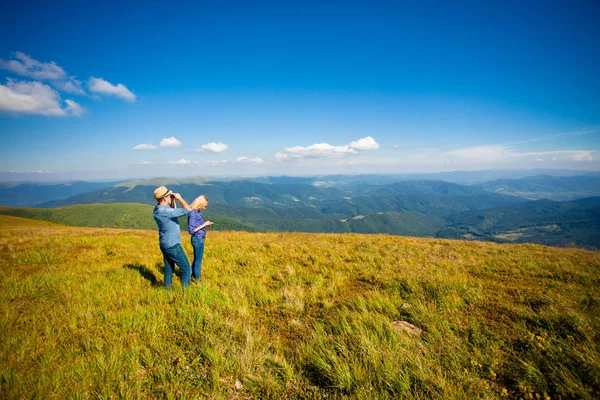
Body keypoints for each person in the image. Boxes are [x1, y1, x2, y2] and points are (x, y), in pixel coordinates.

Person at [153, 186, 193, 288]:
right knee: (186, 269)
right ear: (165, 198)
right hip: (172, 244)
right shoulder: (166, 212)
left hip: (164, 243)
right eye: (169, 196)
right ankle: (185, 292)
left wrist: (172, 201)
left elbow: (172, 211)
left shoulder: (157, 210)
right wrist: (179, 198)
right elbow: (188, 209)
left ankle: (168, 291)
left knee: (169, 268)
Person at [188, 195, 213, 280]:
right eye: (204, 206)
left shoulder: (197, 212)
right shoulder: (193, 214)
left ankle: (192, 276)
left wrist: (204, 232)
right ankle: (197, 280)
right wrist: (205, 224)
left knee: (196, 259)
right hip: (197, 239)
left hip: (199, 238)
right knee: (198, 261)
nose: (205, 208)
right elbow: (191, 230)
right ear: (200, 204)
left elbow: (197, 227)